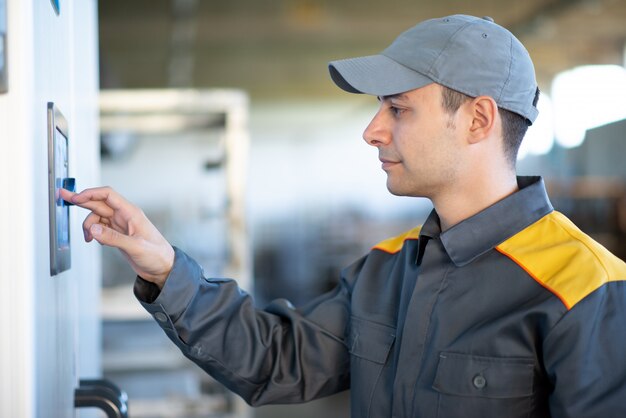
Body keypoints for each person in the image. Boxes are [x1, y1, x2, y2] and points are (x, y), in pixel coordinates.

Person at [62, 14, 626, 418]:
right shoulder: (387, 269)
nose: (372, 130)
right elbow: (277, 359)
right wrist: (164, 267)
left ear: (477, 120)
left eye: (398, 107)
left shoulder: (588, 289)